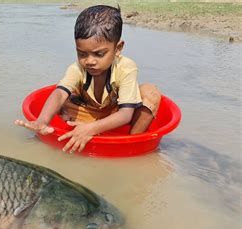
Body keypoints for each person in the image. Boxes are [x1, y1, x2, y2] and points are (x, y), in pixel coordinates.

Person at [15, 5, 161, 154]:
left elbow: (125, 114)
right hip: (84, 115)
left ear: (118, 48)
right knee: (59, 97)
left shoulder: (126, 67)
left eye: (99, 54)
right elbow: (59, 93)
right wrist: (42, 121)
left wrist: (91, 129)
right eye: (82, 54)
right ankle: (76, 131)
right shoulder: (77, 68)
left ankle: (130, 146)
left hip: (114, 116)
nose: (89, 61)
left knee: (151, 92)